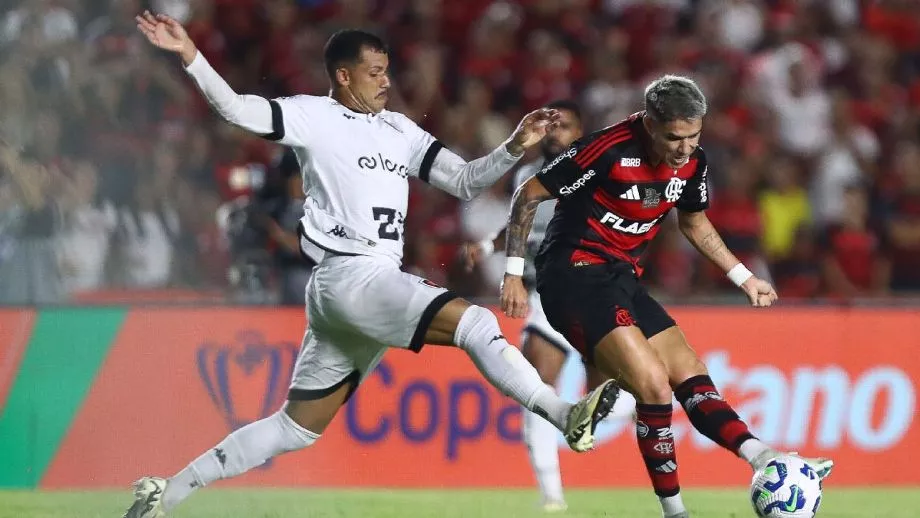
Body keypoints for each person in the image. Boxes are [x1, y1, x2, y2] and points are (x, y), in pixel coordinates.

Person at [123, 12, 619, 518]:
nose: (386, 81)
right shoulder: (312, 116)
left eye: (386, 70)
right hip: (354, 274)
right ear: (343, 75)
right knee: (475, 323)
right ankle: (564, 415)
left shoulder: (399, 129)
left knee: (295, 428)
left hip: (348, 291)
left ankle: (167, 492)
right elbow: (233, 108)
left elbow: (465, 181)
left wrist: (512, 147)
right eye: (375, 72)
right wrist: (190, 55)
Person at [500, 75, 833, 518]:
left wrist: (743, 276)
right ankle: (675, 512)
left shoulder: (694, 162)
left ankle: (764, 458)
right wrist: (512, 274)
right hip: (573, 276)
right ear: (650, 124)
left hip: (622, 278)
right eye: (675, 137)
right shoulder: (607, 150)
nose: (684, 148)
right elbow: (527, 194)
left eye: (694, 136)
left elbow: (693, 223)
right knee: (654, 387)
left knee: (689, 372)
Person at [460, 100, 607, 513]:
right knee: (538, 385)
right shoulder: (527, 176)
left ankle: (631, 408)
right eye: (551, 125)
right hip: (546, 292)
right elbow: (519, 224)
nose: (556, 132)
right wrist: (488, 245)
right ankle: (552, 495)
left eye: (565, 126)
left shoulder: (598, 172)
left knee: (605, 394)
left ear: (580, 133)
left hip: (592, 289)